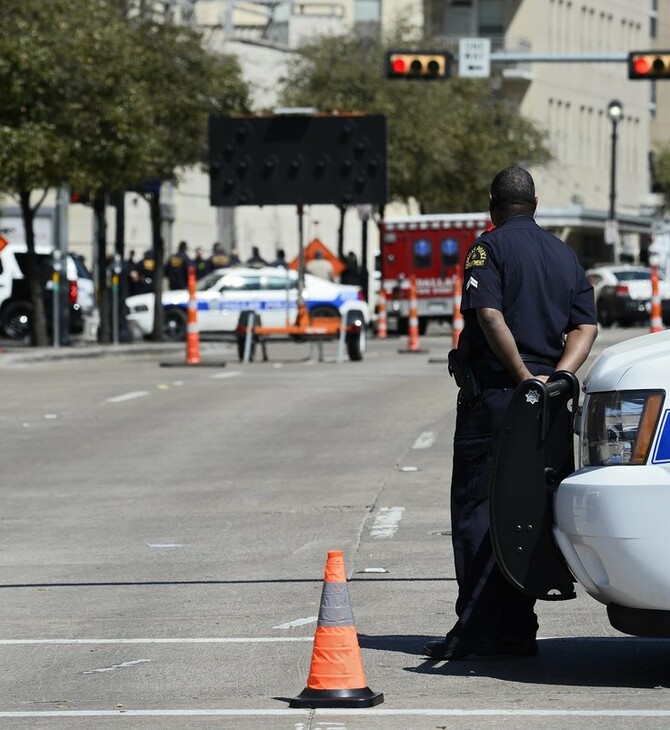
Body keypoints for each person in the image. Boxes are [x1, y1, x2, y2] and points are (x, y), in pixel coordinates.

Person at [423, 166, 598, 661]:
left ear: (494, 206)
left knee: (479, 512)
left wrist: (522, 377)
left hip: (500, 398)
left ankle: (478, 630)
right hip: (546, 409)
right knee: (525, 515)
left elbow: (489, 314)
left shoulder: (489, 247)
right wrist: (555, 378)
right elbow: (586, 325)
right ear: (535, 203)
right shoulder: (563, 254)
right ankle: (517, 627)